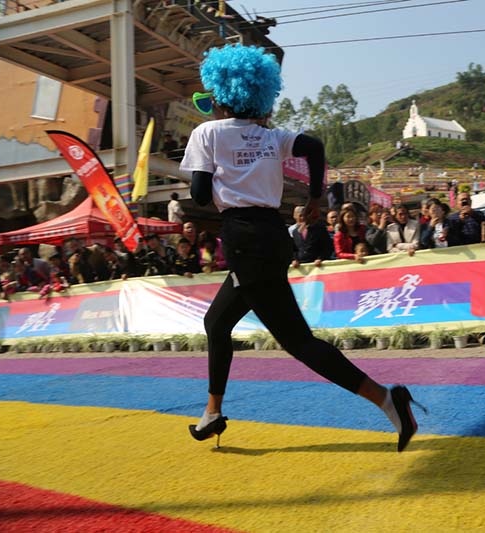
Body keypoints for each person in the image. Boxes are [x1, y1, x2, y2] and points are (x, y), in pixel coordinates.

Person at [179, 44, 423, 452]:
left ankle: (387, 400)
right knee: (217, 324)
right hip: (272, 234)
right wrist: (315, 196)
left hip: (244, 237)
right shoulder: (273, 136)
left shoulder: (207, 133)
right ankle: (212, 412)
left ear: (219, 93)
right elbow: (314, 147)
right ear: (258, 93)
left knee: (298, 342)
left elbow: (200, 195)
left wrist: (219, 176)